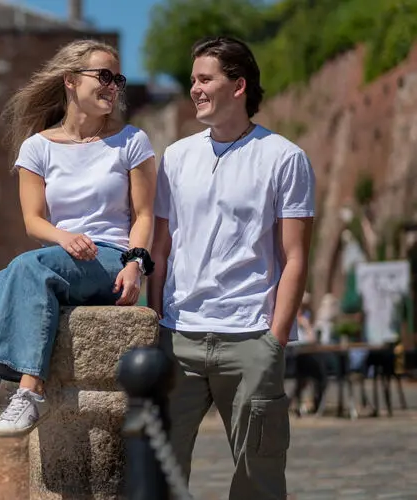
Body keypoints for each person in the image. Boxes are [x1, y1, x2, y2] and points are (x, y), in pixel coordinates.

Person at [0, 39, 157, 487]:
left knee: (29, 266)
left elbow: (143, 215)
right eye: (103, 76)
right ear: (70, 81)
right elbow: (33, 221)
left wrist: (136, 264)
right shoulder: (38, 147)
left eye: (117, 78)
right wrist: (65, 237)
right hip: (58, 251)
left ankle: (30, 392)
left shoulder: (131, 141)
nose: (113, 86)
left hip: (108, 257)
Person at [148, 36, 315, 499]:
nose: (194, 89)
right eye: (193, 80)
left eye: (206, 79)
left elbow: (295, 257)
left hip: (250, 338)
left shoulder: (284, 158)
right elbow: (160, 248)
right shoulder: (177, 158)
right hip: (178, 336)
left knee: (258, 476)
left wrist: (274, 342)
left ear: (238, 85)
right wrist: (155, 324)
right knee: (159, 468)